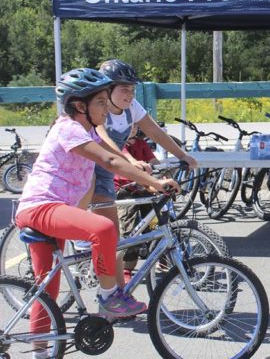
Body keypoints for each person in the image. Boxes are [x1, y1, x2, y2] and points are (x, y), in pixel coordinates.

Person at [14, 68, 179, 358]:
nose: (107, 109)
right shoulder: (68, 128)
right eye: (101, 103)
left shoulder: (87, 131)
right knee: (103, 229)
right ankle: (109, 298)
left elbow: (113, 159)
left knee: (47, 291)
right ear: (80, 106)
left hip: (55, 210)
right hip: (41, 207)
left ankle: (40, 353)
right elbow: (109, 161)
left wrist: (149, 182)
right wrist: (154, 182)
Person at [86, 59, 197, 294]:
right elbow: (105, 142)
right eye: (124, 88)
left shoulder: (131, 107)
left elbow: (154, 130)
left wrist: (183, 155)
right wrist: (131, 161)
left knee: (114, 240)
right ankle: (108, 290)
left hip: (112, 170)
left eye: (133, 89)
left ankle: (116, 295)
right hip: (91, 172)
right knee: (108, 236)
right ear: (107, 90)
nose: (130, 93)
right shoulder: (99, 109)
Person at [113, 129, 160, 283]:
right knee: (129, 230)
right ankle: (127, 269)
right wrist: (136, 163)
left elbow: (153, 161)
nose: (132, 128)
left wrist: (158, 168)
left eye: (134, 125)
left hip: (144, 187)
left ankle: (162, 258)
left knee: (156, 224)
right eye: (129, 125)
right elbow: (126, 157)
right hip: (125, 190)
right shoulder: (119, 144)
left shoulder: (141, 144)